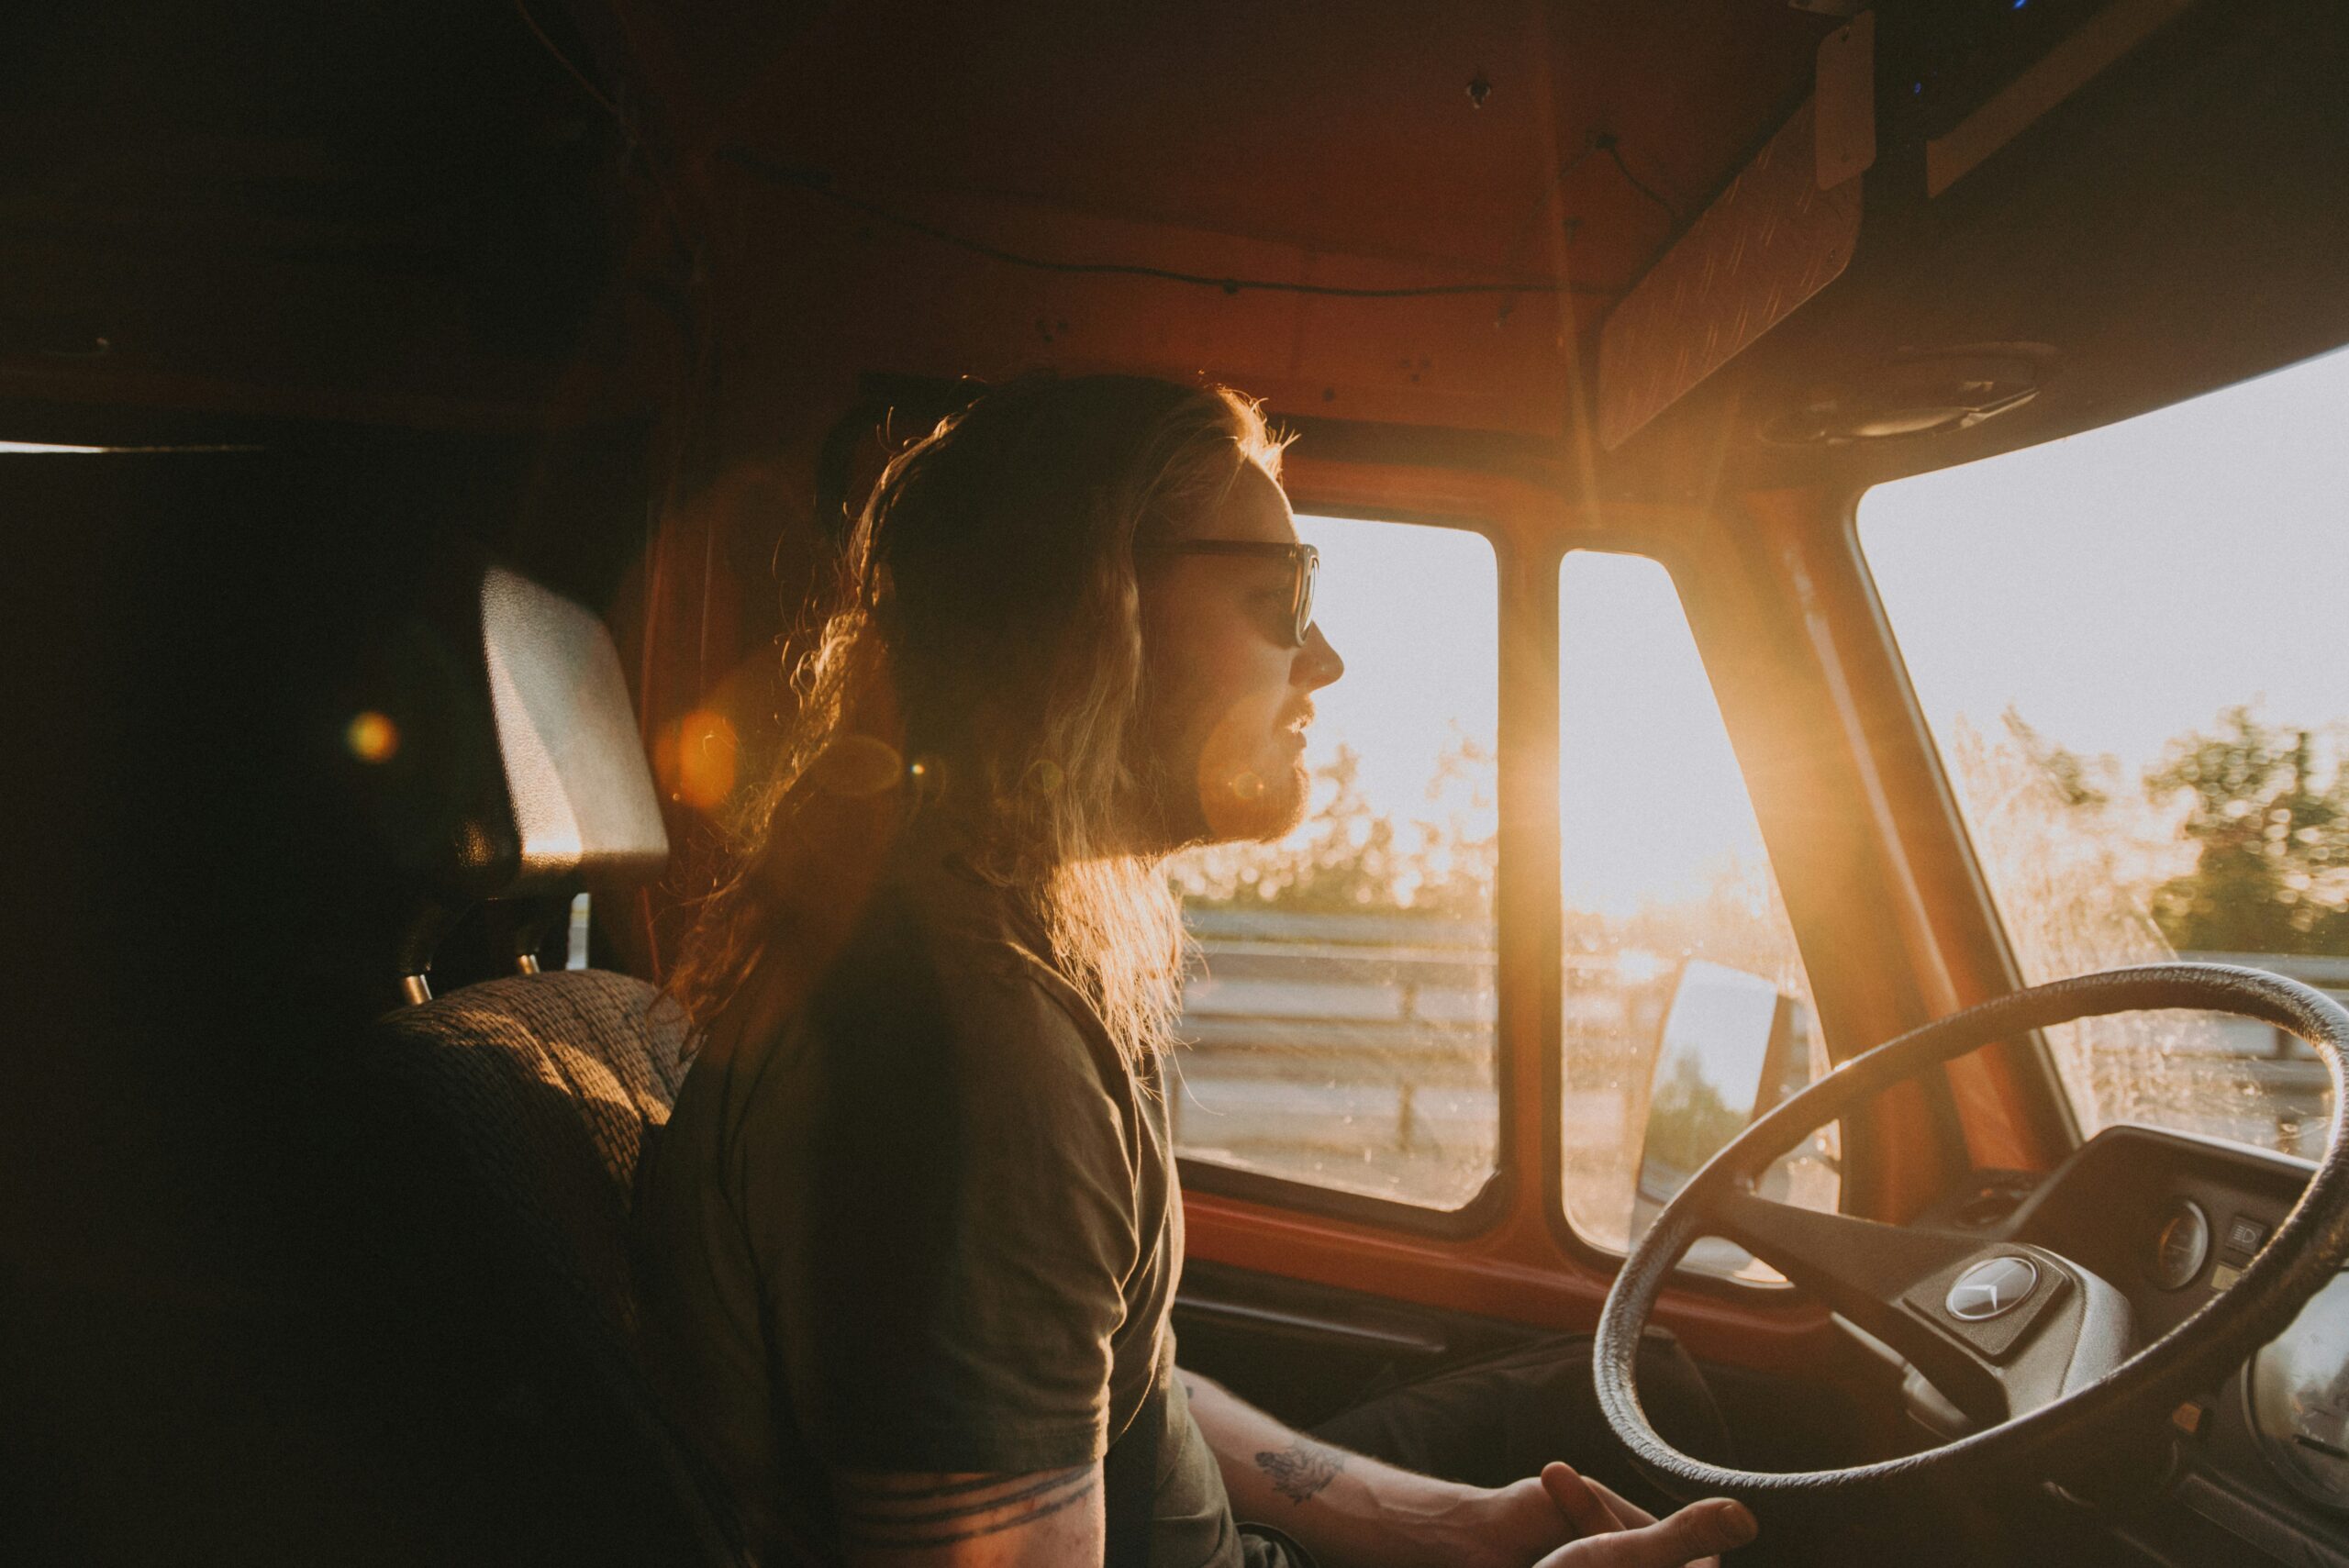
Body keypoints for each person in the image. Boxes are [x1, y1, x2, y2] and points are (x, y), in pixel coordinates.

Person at [632, 374, 1758, 1568]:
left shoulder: (991, 936)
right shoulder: (973, 1057)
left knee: (1650, 1383)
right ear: (1089, 608)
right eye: (1279, 595)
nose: (1321, 657)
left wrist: (1455, 1528)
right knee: (1663, 1422)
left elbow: (1132, 1393)